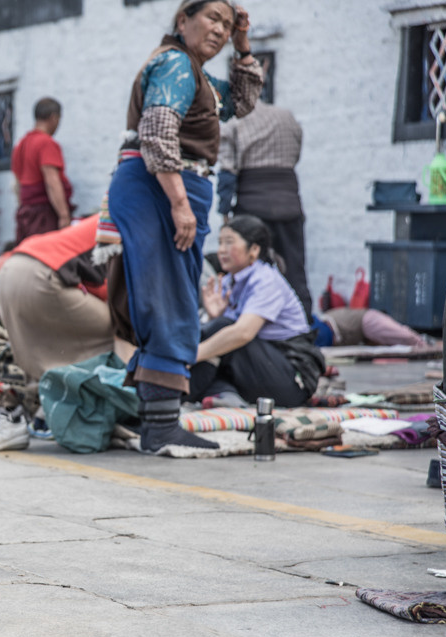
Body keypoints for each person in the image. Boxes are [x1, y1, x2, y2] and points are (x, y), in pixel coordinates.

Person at [104, 0, 262, 452]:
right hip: (161, 188)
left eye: (227, 25)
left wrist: (244, 45)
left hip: (169, 188)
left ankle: (158, 418)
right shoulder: (174, 63)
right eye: (212, 18)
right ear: (182, 20)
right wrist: (179, 203)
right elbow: (156, 133)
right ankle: (159, 426)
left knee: (171, 295)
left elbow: (241, 104)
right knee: (168, 299)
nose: (220, 29)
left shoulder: (196, 74)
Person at [190, 215, 324, 408]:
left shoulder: (266, 280)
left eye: (229, 243)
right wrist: (214, 316)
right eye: (220, 243)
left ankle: (180, 392)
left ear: (253, 249)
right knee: (217, 330)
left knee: (224, 331)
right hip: (260, 370)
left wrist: (192, 355)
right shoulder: (229, 282)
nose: (221, 251)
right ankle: (223, 395)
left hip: (292, 380)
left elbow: (243, 333)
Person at [218, 100, 311, 318]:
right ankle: (304, 329)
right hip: (289, 204)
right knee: (295, 270)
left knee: (247, 270)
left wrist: (225, 214)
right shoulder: (287, 117)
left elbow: (227, 173)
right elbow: (295, 156)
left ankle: (244, 320)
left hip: (252, 208)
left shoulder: (234, 122)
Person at [0, 216, 113, 383]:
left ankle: (35, 391)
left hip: (8, 272)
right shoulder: (131, 224)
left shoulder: (109, 217)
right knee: (117, 333)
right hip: (40, 275)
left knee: (38, 352)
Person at [11, 98, 72, 242]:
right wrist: (64, 215)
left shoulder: (21, 144)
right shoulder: (45, 143)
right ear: (53, 117)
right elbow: (52, 181)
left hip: (26, 212)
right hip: (44, 215)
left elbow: (17, 184)